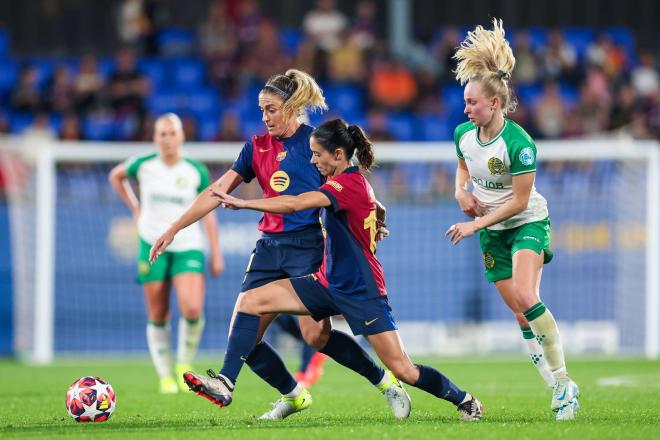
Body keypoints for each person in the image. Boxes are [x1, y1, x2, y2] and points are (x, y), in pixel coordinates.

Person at [154, 118, 484, 421]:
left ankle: (464, 399)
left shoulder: (345, 185)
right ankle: (233, 382)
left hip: (361, 290)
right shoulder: (347, 181)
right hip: (325, 282)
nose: (313, 161)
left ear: (338, 155)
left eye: (317, 155)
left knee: (405, 369)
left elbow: (296, 203)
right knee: (252, 302)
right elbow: (371, 209)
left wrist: (245, 203)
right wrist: (374, 221)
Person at [147, 69, 410, 420]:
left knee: (316, 336)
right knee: (244, 333)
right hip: (269, 248)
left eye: (271, 109)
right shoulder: (255, 148)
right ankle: (281, 392)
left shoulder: (313, 144)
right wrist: (175, 227)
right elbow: (217, 191)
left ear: (292, 107)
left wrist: (375, 211)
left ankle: (384, 381)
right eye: (261, 110)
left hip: (308, 246)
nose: (264, 117)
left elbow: (351, 183)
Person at [444, 19, 580, 421]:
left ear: (495, 104)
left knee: (525, 294)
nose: (466, 109)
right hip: (493, 232)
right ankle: (556, 386)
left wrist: (473, 225)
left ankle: (563, 382)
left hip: (525, 222)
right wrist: (459, 192)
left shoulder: (519, 144)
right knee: (520, 313)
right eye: (465, 102)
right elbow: (462, 168)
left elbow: (520, 202)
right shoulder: (463, 135)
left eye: (473, 103)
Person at [108, 113, 224, 393]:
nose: (168, 139)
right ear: (155, 137)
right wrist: (135, 208)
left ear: (182, 136)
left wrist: (215, 251)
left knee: (192, 307)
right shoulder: (144, 164)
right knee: (158, 312)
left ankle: (183, 364)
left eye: (172, 133)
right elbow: (116, 176)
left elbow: (207, 211)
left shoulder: (195, 170)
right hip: (151, 243)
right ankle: (165, 376)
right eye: (162, 133)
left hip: (188, 246)